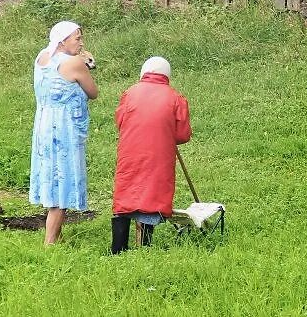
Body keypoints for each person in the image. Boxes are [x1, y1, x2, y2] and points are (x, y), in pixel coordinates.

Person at [111, 57, 191, 254]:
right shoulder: (175, 98)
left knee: (127, 192)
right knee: (151, 194)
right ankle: (145, 248)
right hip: (158, 155)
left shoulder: (129, 93)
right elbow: (182, 135)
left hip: (130, 153)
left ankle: (118, 248)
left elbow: (120, 121)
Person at [30, 20, 98, 245]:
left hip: (44, 123)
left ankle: (57, 237)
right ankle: (50, 243)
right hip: (64, 127)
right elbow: (92, 92)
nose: (81, 43)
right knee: (63, 179)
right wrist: (86, 65)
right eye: (77, 38)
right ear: (62, 41)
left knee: (52, 175)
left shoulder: (42, 57)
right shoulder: (73, 63)